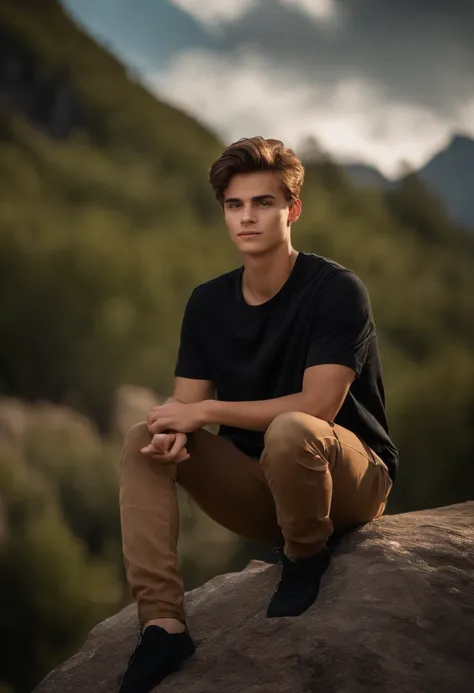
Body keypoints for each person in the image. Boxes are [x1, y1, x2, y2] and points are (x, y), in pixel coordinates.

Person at [119, 136, 398, 692]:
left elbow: (318, 407)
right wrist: (172, 434)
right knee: (140, 442)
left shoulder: (336, 290)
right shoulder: (207, 303)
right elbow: (185, 408)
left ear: (292, 209)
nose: (247, 217)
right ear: (224, 212)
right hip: (262, 489)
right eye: (235, 205)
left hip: (347, 478)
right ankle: (163, 626)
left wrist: (206, 412)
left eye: (263, 203)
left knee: (292, 430)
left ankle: (306, 558)